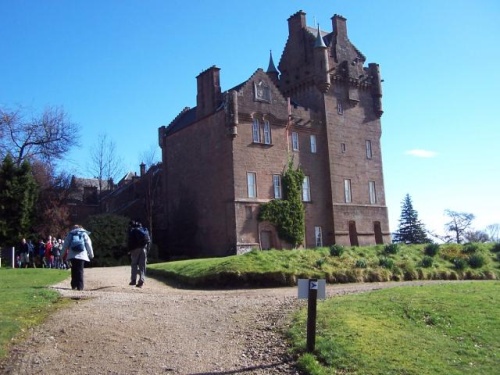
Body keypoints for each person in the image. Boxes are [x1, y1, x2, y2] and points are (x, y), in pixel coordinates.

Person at [61, 225, 94, 291]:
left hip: (72, 255)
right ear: (81, 227)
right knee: (80, 270)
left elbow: (65, 245)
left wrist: (61, 255)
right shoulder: (84, 234)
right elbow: (88, 244)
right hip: (82, 255)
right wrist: (91, 254)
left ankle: (74, 285)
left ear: (73, 228)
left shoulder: (70, 234)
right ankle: (80, 286)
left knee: (73, 270)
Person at [128, 220, 150, 288]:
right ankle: (141, 280)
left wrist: (129, 250)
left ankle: (133, 280)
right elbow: (148, 241)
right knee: (142, 265)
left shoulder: (133, 230)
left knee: (134, 264)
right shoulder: (144, 230)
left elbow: (130, 241)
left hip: (135, 249)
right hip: (144, 249)